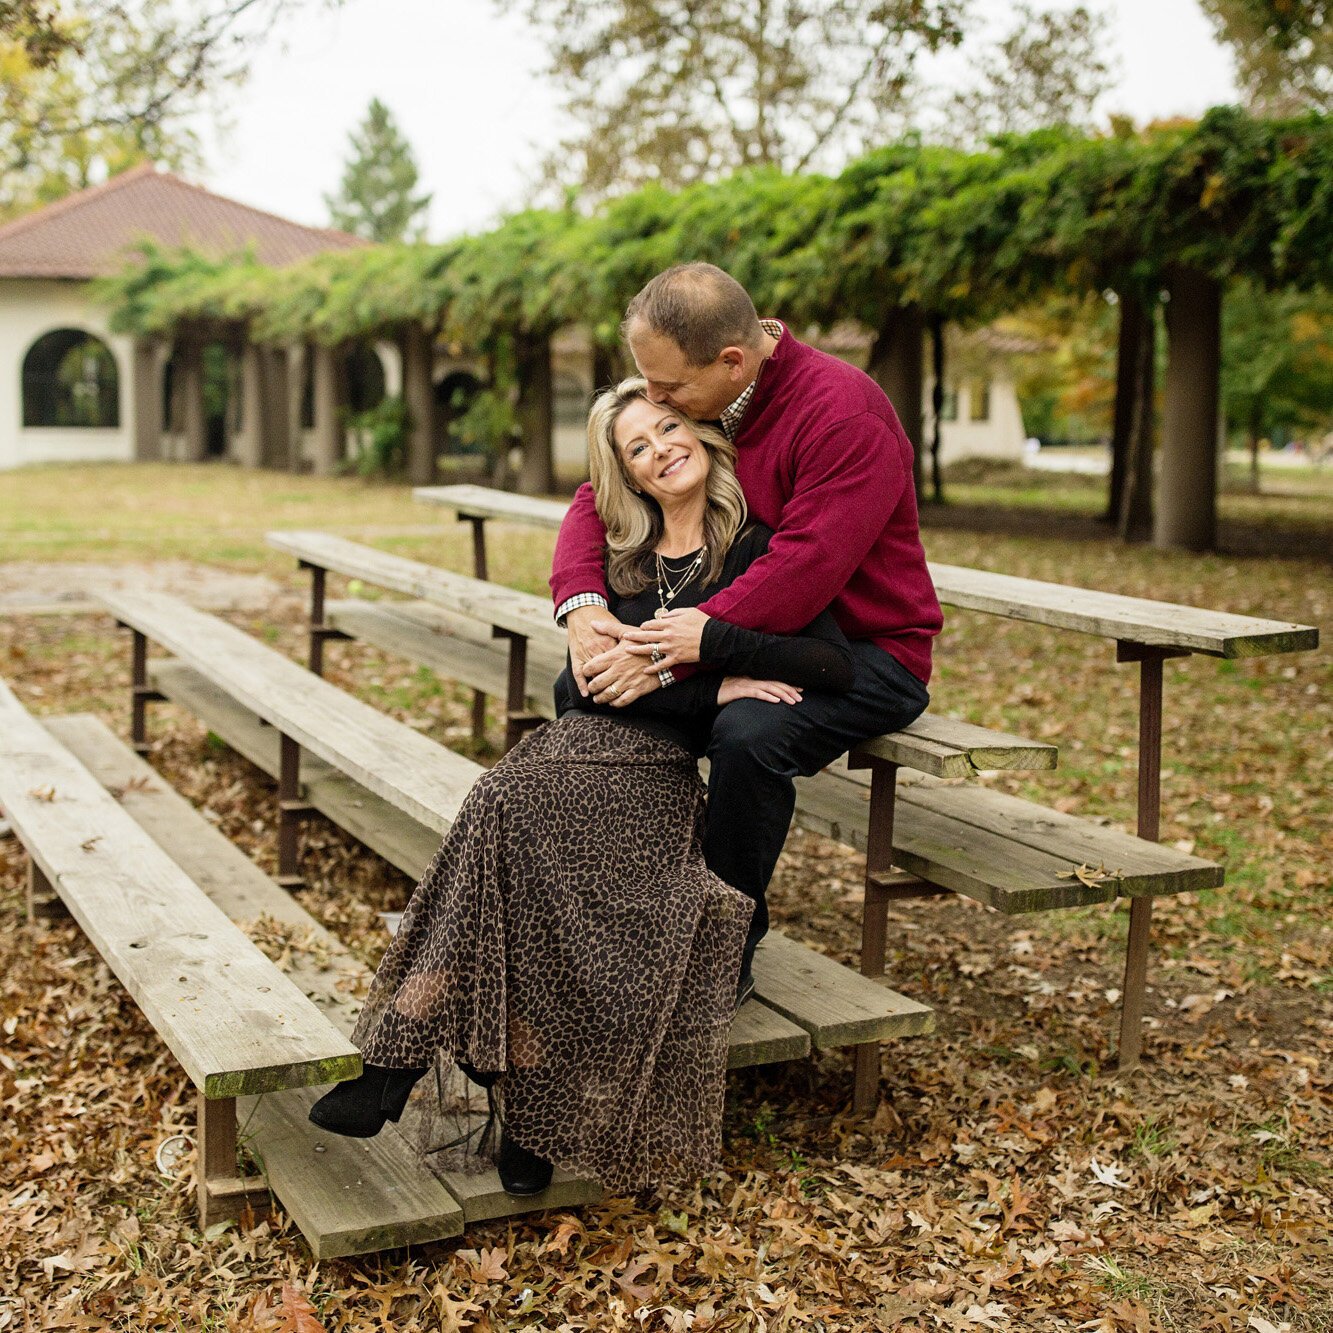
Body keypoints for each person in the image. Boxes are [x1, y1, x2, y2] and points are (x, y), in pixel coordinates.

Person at [308, 378, 854, 1197]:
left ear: (700, 434)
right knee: (503, 813)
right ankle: (525, 1112)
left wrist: (718, 669)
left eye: (668, 427)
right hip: (573, 749)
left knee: (499, 813)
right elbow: (583, 691)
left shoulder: (753, 549)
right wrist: (704, 682)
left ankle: (399, 1053)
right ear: (627, 475)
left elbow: (829, 662)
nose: (660, 448)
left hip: (652, 777)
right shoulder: (619, 560)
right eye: (637, 446)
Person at [552, 262, 942, 998]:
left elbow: (804, 568)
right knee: (584, 689)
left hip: (860, 652)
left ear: (733, 360)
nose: (657, 401)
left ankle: (718, 949)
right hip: (733, 633)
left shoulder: (840, 414)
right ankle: (612, 918)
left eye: (667, 391)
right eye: (650, 385)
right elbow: (595, 492)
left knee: (748, 735)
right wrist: (584, 606)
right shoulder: (712, 392)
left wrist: (667, 657)